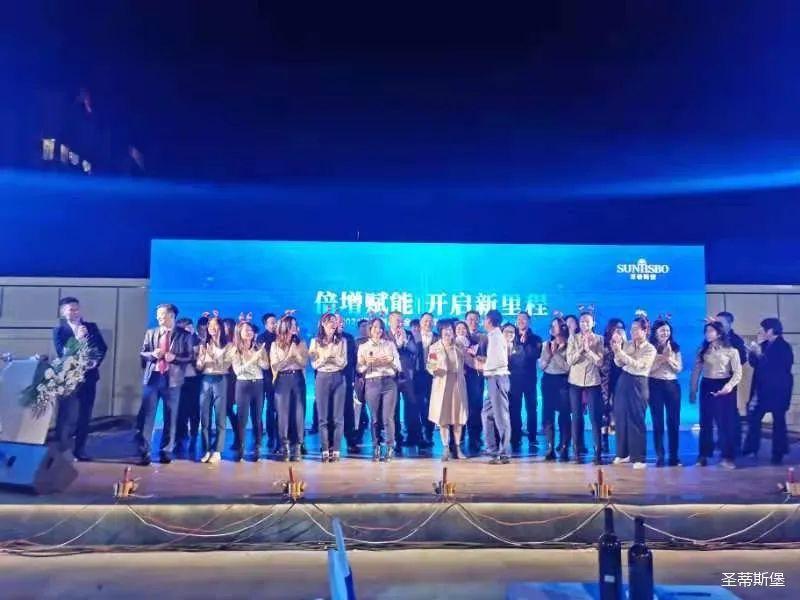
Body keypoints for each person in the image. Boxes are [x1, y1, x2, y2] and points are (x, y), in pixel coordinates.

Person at [52, 297, 108, 461]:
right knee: (66, 415)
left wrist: (95, 361)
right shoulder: (59, 331)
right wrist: (77, 338)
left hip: (89, 377)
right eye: (71, 309)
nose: (75, 312)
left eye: (77, 309)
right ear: (63, 312)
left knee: (85, 415)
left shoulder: (91, 327)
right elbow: (62, 353)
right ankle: (62, 450)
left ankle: (80, 450)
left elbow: (102, 347)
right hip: (69, 379)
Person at [138, 303, 193, 465]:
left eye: (162, 314)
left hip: (173, 380)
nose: (158, 317)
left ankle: (166, 450)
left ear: (171, 315)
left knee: (171, 416)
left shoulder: (184, 335)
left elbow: (190, 357)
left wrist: (174, 358)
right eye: (158, 314)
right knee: (147, 417)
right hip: (153, 378)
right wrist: (152, 354)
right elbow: (143, 352)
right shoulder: (151, 332)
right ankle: (144, 451)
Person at [690, 321, 743, 469]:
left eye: (711, 331)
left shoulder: (731, 351)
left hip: (724, 385)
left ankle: (727, 457)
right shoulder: (702, 350)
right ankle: (703, 455)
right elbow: (696, 371)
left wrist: (729, 386)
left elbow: (738, 373)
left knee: (725, 423)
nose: (707, 334)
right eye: (706, 331)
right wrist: (693, 390)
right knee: (705, 422)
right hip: (707, 385)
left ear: (719, 333)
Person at [742, 318, 794, 465]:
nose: (760, 332)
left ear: (770, 330)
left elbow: (778, 368)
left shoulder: (784, 347)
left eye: (762, 329)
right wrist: (752, 353)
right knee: (754, 418)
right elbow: (754, 364)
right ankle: (751, 448)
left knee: (779, 421)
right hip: (762, 390)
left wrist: (760, 355)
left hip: (778, 391)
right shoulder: (763, 345)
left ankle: (778, 452)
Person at [611, 316, 657, 469]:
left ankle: (639, 457)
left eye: (636, 329)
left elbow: (639, 365)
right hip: (624, 380)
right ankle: (623, 453)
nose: (632, 332)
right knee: (621, 416)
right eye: (631, 329)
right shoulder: (628, 344)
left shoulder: (650, 349)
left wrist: (621, 353)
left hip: (639, 382)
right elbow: (619, 363)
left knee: (636, 418)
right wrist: (617, 350)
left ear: (645, 330)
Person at [357, 317, 402, 462]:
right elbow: (359, 368)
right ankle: (376, 447)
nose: (378, 330)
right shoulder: (364, 347)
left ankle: (390, 448)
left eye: (380, 327)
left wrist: (390, 361)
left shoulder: (389, 345)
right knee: (375, 418)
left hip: (389, 383)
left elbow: (399, 366)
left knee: (388, 417)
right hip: (372, 382)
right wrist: (368, 363)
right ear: (370, 329)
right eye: (375, 327)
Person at [566, 312, 604, 464]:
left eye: (588, 322)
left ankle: (598, 453)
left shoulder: (599, 339)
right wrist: (581, 349)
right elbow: (570, 361)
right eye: (582, 321)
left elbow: (600, 362)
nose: (585, 324)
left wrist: (589, 350)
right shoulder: (573, 338)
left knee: (595, 418)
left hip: (593, 381)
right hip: (575, 381)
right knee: (576, 417)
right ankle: (576, 452)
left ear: (593, 323)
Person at [309, 313, 348, 462]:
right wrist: (326, 358)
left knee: (338, 418)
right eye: (329, 321)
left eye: (334, 322)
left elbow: (343, 362)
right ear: (323, 324)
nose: (332, 324)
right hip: (322, 377)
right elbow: (314, 364)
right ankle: (325, 450)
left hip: (338, 377)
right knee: (323, 418)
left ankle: (336, 450)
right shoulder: (315, 342)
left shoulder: (342, 341)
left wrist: (332, 358)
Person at [427, 320, 468, 461]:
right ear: (440, 331)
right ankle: (445, 448)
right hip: (442, 384)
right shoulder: (434, 348)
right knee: (443, 417)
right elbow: (430, 366)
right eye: (444, 329)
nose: (447, 332)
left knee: (458, 417)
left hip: (457, 384)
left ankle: (457, 448)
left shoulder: (459, 345)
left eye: (450, 329)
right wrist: (434, 368)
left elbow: (468, 361)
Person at [229, 320, 270, 462]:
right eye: (246, 330)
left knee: (257, 418)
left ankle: (257, 447)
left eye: (251, 330)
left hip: (258, 384)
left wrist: (258, 358)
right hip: (243, 385)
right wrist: (253, 359)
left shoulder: (259, 347)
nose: (249, 332)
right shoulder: (235, 349)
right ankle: (240, 448)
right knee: (242, 419)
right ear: (239, 332)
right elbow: (237, 371)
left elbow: (266, 366)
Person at [270, 315, 309, 462]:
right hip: (282, 380)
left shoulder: (301, 343)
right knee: (283, 414)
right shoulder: (275, 345)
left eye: (295, 324)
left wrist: (295, 354)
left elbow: (303, 363)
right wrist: (289, 357)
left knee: (298, 413)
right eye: (291, 325)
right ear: (284, 327)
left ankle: (297, 446)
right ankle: (284, 445)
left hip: (297, 379)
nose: (294, 327)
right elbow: (276, 366)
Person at [476, 309, 512, 465]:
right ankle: (492, 448)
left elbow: (499, 361)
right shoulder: (492, 336)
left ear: (490, 321)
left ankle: (504, 453)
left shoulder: (497, 337)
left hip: (497, 378)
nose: (483, 322)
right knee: (486, 414)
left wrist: (480, 364)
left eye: (485, 319)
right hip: (492, 378)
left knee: (501, 417)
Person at [196, 316, 231, 464]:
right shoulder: (204, 344)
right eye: (210, 325)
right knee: (204, 417)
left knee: (220, 417)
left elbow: (225, 366)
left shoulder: (228, 346)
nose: (212, 327)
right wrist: (202, 358)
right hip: (206, 380)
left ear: (221, 327)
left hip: (220, 380)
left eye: (215, 325)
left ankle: (217, 450)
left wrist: (212, 356)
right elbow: (199, 367)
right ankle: (206, 449)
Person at [648, 319, 683, 467]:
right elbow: (648, 369)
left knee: (673, 422)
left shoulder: (675, 347)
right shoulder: (650, 348)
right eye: (662, 330)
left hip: (672, 385)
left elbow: (678, 368)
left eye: (668, 330)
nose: (665, 333)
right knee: (658, 422)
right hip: (654, 385)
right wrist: (663, 358)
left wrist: (669, 358)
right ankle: (660, 455)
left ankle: (674, 456)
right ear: (655, 332)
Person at [538, 317, 571, 462]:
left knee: (564, 415)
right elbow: (542, 365)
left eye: (555, 326)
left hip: (563, 381)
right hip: (548, 380)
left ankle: (564, 447)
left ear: (563, 328)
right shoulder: (546, 344)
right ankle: (550, 448)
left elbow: (567, 367)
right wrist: (550, 353)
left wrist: (556, 353)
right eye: (551, 326)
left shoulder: (570, 345)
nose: (552, 328)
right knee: (547, 414)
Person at [388, 311, 421, 451]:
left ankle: (413, 436)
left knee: (411, 406)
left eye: (402, 321)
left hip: (407, 375)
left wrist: (406, 342)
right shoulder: (385, 335)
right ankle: (397, 438)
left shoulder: (408, 334)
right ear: (390, 321)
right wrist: (396, 344)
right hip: (391, 376)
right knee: (393, 408)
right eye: (397, 321)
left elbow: (415, 350)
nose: (400, 323)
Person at [514, 311, 543, 447]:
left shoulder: (536, 339)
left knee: (531, 408)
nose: (521, 321)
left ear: (529, 321)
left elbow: (535, 355)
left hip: (530, 379)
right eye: (519, 319)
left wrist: (525, 343)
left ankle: (532, 437)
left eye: (524, 319)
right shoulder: (511, 336)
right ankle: (516, 436)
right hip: (514, 378)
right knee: (515, 409)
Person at [175, 317, 201, 456]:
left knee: (194, 408)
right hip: (179, 379)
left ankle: (194, 434)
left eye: (190, 327)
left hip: (194, 379)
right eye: (186, 328)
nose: (189, 330)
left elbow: (199, 359)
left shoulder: (197, 340)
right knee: (180, 410)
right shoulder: (176, 341)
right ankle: (181, 436)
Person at [600, 318, 626, 454]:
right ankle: (603, 441)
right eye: (615, 328)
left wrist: (620, 346)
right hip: (605, 381)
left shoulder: (626, 345)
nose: (618, 330)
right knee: (604, 412)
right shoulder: (603, 343)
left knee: (618, 412)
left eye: (621, 328)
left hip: (620, 380)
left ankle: (621, 446)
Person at [414, 312, 439, 447]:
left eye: (430, 321)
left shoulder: (438, 338)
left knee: (431, 405)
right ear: (420, 323)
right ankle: (416, 434)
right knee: (417, 405)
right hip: (417, 375)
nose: (428, 323)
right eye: (425, 321)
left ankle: (428, 434)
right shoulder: (413, 336)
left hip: (433, 377)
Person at [346, 318, 370, 451]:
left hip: (374, 378)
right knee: (358, 408)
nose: (365, 328)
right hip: (359, 378)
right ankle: (357, 434)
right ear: (358, 328)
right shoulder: (355, 342)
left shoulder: (377, 341)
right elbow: (353, 361)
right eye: (362, 326)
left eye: (367, 326)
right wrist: (357, 376)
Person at [563, 313, 586, 455]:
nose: (569, 325)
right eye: (567, 323)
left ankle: (579, 443)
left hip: (578, 381)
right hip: (562, 381)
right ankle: (564, 442)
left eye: (572, 323)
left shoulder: (580, 339)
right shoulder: (561, 340)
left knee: (578, 414)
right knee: (565, 414)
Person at [463, 310, 486, 452]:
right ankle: (459, 437)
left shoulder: (483, 337)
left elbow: (487, 356)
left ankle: (475, 437)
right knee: (460, 407)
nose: (473, 321)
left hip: (476, 377)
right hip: (459, 377)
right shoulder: (458, 335)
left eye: (475, 319)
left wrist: (477, 358)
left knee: (476, 407)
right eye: (470, 319)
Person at [256, 313, 278, 451]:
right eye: (272, 322)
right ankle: (264, 435)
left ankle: (274, 435)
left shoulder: (280, 336)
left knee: (274, 407)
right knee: (263, 408)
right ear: (265, 325)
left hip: (277, 376)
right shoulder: (261, 338)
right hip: (264, 376)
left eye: (275, 322)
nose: (274, 324)